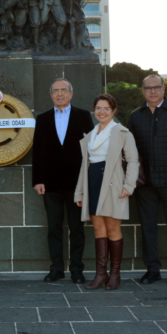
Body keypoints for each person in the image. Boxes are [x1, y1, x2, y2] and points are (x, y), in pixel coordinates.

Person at [127, 75, 167, 288]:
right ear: (143, 91)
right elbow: (130, 150)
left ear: (164, 90)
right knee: (148, 228)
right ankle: (152, 270)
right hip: (145, 184)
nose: (152, 91)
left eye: (156, 87)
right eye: (148, 88)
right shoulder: (136, 116)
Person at [74, 94, 139, 290]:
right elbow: (84, 166)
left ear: (113, 111)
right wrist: (80, 193)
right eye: (98, 108)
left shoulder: (122, 132)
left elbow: (133, 161)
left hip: (113, 184)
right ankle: (101, 273)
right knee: (98, 230)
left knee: (112, 230)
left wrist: (129, 186)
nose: (101, 112)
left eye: (106, 108)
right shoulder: (90, 134)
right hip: (92, 182)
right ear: (94, 110)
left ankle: (115, 274)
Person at [32, 78, 94, 283]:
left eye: (64, 90)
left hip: (77, 184)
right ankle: (56, 268)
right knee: (54, 229)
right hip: (50, 184)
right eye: (56, 91)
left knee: (77, 229)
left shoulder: (83, 116)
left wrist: (88, 182)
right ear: (51, 95)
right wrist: (37, 180)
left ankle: (77, 269)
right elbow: (37, 151)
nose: (60, 94)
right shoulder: (42, 119)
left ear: (71, 94)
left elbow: (91, 150)